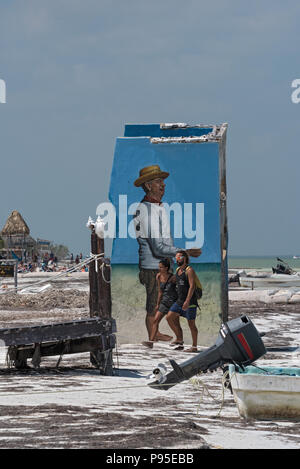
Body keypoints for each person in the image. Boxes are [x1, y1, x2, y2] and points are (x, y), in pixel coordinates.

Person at [133, 164, 201, 342]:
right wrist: (184, 251)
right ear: (148, 185)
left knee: (166, 300)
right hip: (152, 267)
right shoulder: (146, 211)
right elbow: (158, 247)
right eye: (158, 181)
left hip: (160, 265)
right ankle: (152, 336)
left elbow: (163, 243)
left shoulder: (155, 208)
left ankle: (155, 334)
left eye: (163, 181)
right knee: (155, 303)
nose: (163, 185)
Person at [167, 250, 199, 353]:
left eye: (179, 257)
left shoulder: (189, 270)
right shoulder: (178, 270)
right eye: (176, 257)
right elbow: (177, 282)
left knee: (191, 325)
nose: (177, 259)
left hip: (190, 302)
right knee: (170, 317)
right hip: (180, 301)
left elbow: (192, 286)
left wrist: (187, 301)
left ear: (184, 258)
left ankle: (194, 347)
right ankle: (179, 339)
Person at [142, 258, 178, 349]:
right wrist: (158, 304)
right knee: (155, 321)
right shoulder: (158, 276)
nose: (159, 269)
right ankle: (151, 341)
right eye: (159, 267)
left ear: (166, 268)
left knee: (175, 323)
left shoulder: (173, 278)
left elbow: (179, 291)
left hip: (173, 303)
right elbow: (160, 292)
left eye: (161, 267)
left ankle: (179, 339)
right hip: (164, 303)